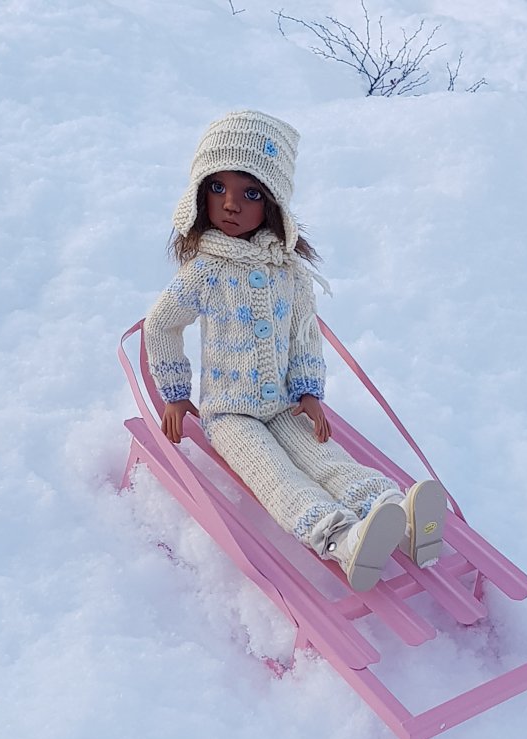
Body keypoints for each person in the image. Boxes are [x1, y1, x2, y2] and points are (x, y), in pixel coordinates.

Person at [145, 110, 446, 592]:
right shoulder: (204, 273)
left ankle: (398, 514)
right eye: (217, 188)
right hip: (230, 414)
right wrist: (176, 393)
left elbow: (304, 336)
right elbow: (161, 327)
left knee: (329, 460)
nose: (231, 205)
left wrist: (308, 391)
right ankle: (343, 540)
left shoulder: (288, 273)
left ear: (275, 204)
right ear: (199, 195)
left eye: (251, 193)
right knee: (278, 478)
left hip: (284, 404)